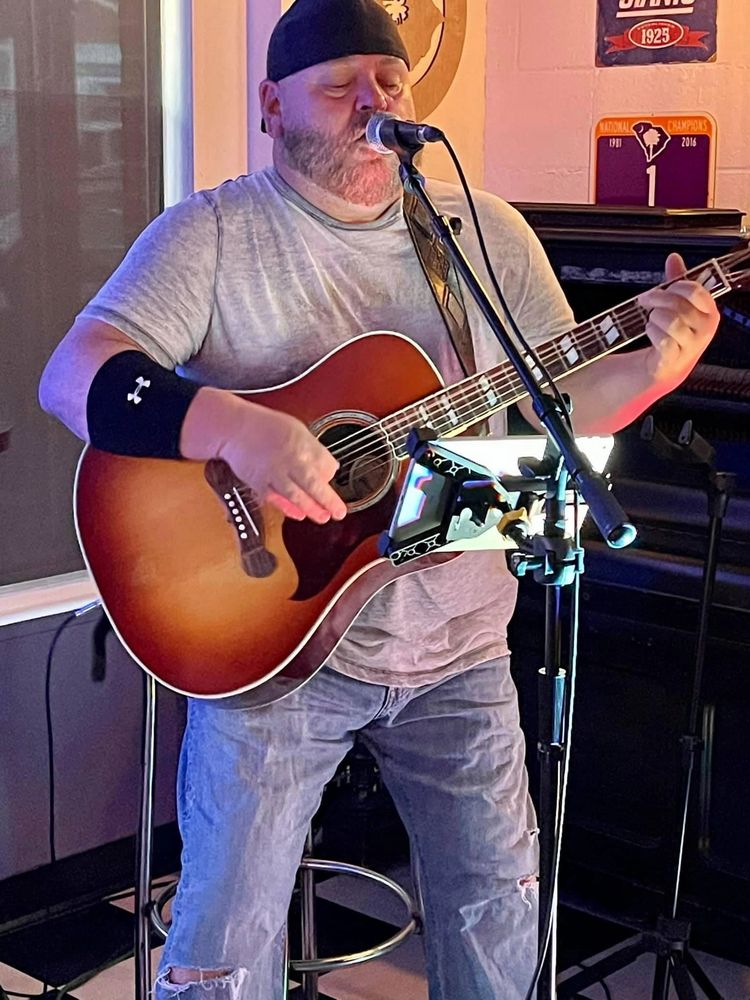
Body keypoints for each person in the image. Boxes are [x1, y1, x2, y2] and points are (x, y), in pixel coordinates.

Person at [38, 1, 720, 996]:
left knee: (497, 915)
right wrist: (235, 426)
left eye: (389, 83)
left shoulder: (479, 235)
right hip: (271, 658)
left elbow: (559, 405)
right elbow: (74, 375)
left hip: (461, 651)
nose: (373, 106)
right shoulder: (215, 233)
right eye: (337, 87)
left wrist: (657, 369)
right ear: (273, 106)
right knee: (225, 945)